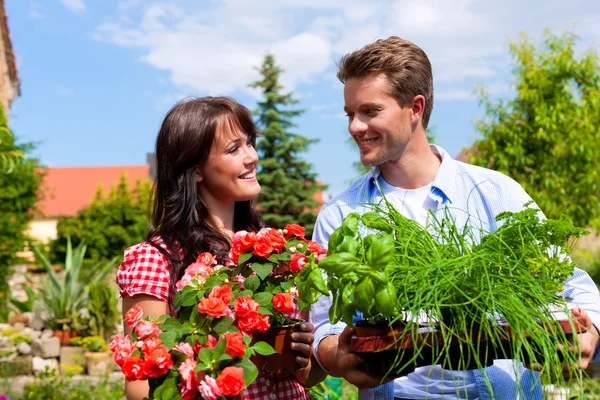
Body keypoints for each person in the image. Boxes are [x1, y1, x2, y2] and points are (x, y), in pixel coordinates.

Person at [310, 36, 600, 399]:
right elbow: (325, 324)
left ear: (415, 108)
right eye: (350, 114)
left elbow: (570, 283)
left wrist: (590, 330)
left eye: (369, 111)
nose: (354, 126)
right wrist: (333, 355)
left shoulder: (495, 192)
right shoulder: (340, 214)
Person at [116, 97, 326, 400]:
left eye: (250, 144)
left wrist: (304, 355)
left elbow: (307, 378)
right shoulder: (157, 258)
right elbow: (140, 385)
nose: (251, 156)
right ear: (196, 169)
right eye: (234, 149)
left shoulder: (272, 252)